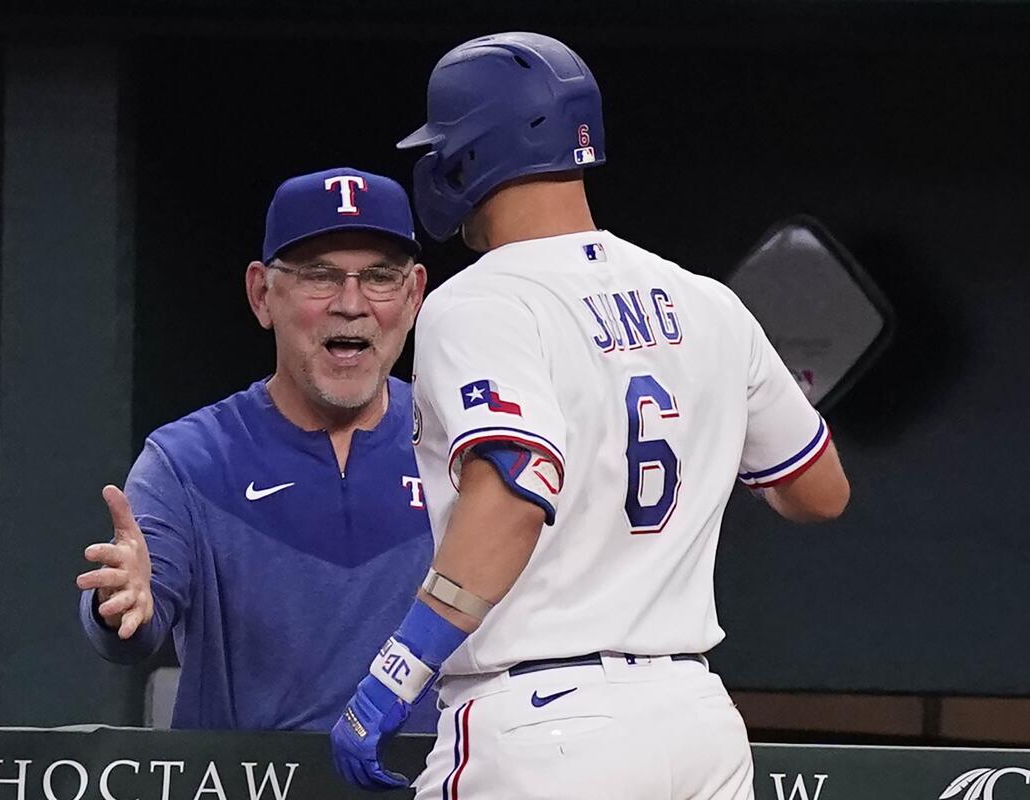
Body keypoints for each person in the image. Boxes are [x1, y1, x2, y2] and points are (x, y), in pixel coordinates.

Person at [330, 33, 851, 798]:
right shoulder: (705, 300)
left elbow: (518, 482)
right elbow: (819, 490)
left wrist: (397, 672)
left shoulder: (481, 298)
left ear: (470, 155)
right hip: (697, 719)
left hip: (546, 724)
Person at [77, 166, 439, 732]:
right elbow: (136, 625)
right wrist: (121, 601)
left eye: (379, 278)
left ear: (413, 294)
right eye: (320, 276)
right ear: (262, 295)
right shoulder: (190, 460)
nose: (352, 303)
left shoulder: (459, 444)